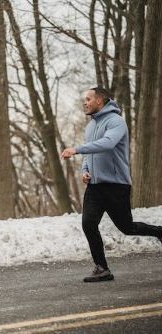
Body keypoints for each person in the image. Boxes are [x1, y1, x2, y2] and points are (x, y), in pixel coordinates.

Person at [61, 86, 162, 283]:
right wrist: (85, 170)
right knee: (89, 223)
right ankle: (102, 268)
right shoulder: (90, 126)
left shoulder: (116, 122)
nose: (85, 102)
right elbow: (90, 154)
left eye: (89, 99)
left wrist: (77, 149)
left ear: (100, 100)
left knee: (127, 227)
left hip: (116, 186)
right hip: (95, 188)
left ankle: (159, 232)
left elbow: (107, 144)